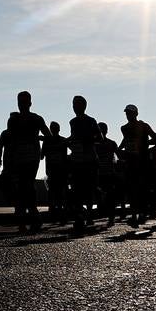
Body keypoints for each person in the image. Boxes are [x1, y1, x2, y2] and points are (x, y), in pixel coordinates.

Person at [2, 91, 51, 231]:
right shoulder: (35, 119)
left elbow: (10, 141)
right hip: (29, 156)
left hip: (23, 157)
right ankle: (31, 216)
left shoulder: (14, 120)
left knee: (23, 186)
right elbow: (48, 135)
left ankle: (26, 218)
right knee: (27, 185)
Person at [119, 105, 156, 226]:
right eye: (127, 113)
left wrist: (144, 143)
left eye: (130, 113)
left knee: (143, 188)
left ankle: (143, 211)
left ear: (136, 114)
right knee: (132, 189)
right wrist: (119, 149)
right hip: (131, 162)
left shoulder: (144, 126)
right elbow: (125, 140)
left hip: (143, 161)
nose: (128, 115)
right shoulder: (124, 128)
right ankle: (134, 214)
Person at [67, 96, 101, 233]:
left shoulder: (91, 121)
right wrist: (68, 142)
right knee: (77, 188)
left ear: (83, 106)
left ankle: (89, 213)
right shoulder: (73, 122)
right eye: (73, 104)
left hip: (89, 159)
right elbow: (74, 137)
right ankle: (80, 215)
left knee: (88, 187)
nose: (75, 107)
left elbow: (99, 137)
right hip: (77, 159)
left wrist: (87, 139)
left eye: (77, 104)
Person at [43, 121, 70, 224]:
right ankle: (61, 215)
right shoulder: (62, 141)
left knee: (55, 194)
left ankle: (56, 215)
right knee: (59, 194)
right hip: (58, 171)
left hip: (56, 171)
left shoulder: (47, 141)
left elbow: (42, 155)